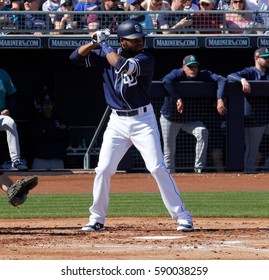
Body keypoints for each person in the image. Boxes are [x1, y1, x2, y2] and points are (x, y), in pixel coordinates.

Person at [69, 19, 194, 232]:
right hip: (117, 121)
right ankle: (97, 218)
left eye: (140, 39)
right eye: (134, 40)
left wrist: (104, 45)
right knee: (103, 169)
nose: (139, 42)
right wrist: (94, 42)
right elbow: (74, 57)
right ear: (122, 41)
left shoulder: (145, 58)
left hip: (142, 120)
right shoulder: (104, 55)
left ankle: (183, 216)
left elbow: (121, 66)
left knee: (156, 167)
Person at [160, 55, 227, 173]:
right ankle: (169, 175)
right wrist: (177, 98)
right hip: (170, 118)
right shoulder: (177, 73)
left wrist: (219, 99)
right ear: (183, 67)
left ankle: (198, 170)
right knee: (169, 150)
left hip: (189, 119)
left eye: (195, 66)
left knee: (202, 132)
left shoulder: (202, 74)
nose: (193, 69)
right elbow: (166, 80)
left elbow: (222, 79)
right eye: (190, 66)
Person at [227, 47, 269, 173]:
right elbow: (230, 76)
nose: (268, 59)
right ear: (256, 58)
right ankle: (248, 176)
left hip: (267, 116)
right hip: (254, 118)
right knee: (252, 150)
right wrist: (242, 79)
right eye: (265, 57)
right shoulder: (250, 71)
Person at [30, 90, 69, 169]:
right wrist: (57, 131)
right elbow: (38, 137)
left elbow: (65, 135)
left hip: (58, 159)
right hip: (40, 159)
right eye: (45, 104)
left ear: (53, 104)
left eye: (50, 103)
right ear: (40, 105)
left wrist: (47, 131)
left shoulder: (60, 119)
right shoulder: (36, 120)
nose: (48, 106)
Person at [0, 67, 28, 171]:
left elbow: (12, 94)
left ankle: (16, 161)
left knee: (10, 123)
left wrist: (8, 109)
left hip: (0, 114)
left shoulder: (2, 73)